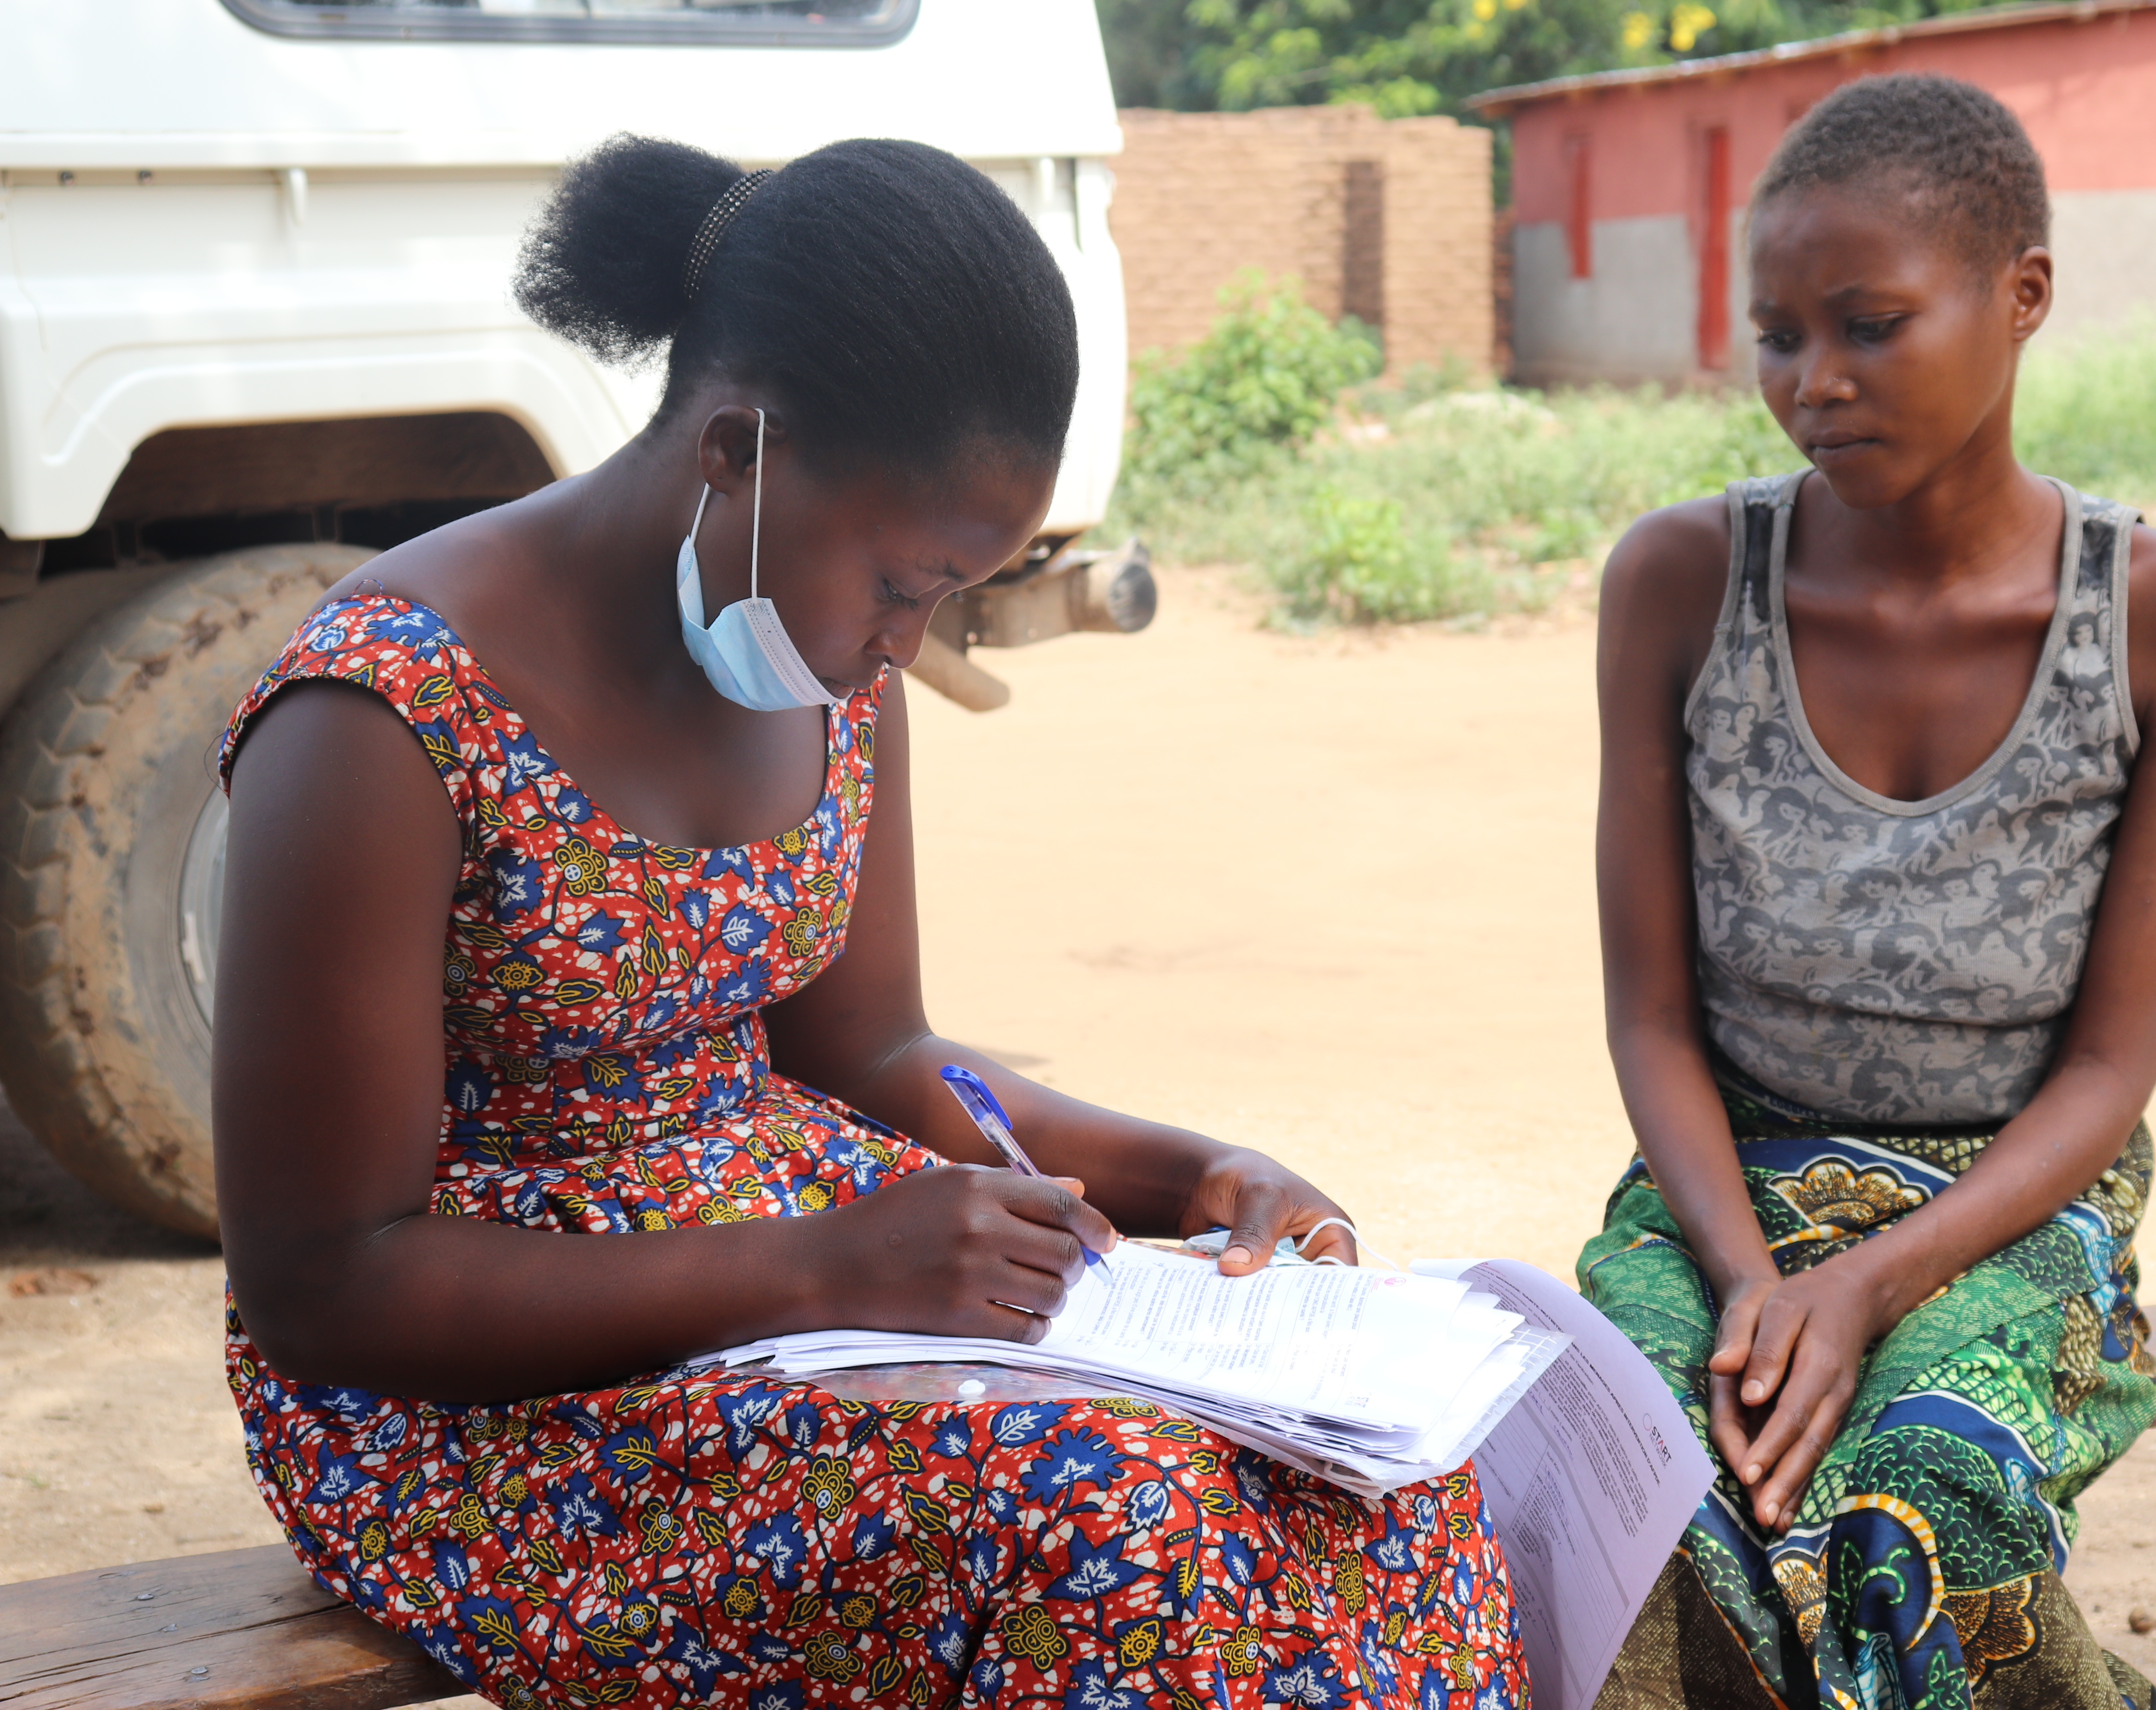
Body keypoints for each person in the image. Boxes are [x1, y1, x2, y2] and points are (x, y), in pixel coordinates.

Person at [213, 134, 1523, 1710]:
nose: (909, 644)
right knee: (1114, 1515)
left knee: (1376, 1485)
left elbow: (876, 1047)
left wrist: (1192, 1172)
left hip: (810, 1282)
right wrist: (823, 1269)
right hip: (476, 1399)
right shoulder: (384, 716)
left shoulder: (821, 664)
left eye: (953, 597)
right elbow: (324, 1284)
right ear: (734, 451)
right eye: (907, 583)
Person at [1582, 75, 2156, 1710]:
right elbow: (1655, 1016)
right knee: (1655, 1479)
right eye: (1776, 335)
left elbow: (2109, 1072)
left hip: (2013, 1209)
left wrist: (1869, 1287)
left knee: (1916, 1497)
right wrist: (1755, 1286)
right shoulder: (1680, 585)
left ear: (2023, 292)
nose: (1813, 383)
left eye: (1871, 325)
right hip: (1723, 1186)